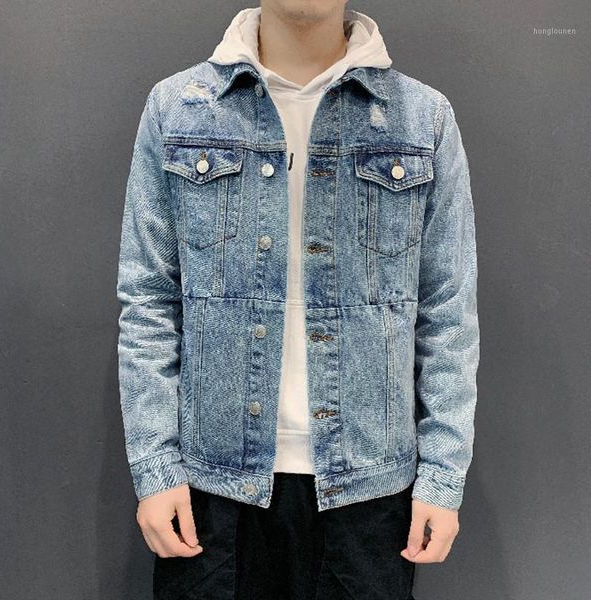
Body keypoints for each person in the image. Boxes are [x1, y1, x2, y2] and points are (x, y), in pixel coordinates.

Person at [116, 2, 480, 598]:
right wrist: (155, 467)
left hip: (370, 492)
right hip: (212, 490)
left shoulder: (423, 119)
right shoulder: (177, 108)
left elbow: (447, 312)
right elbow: (150, 300)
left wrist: (443, 474)